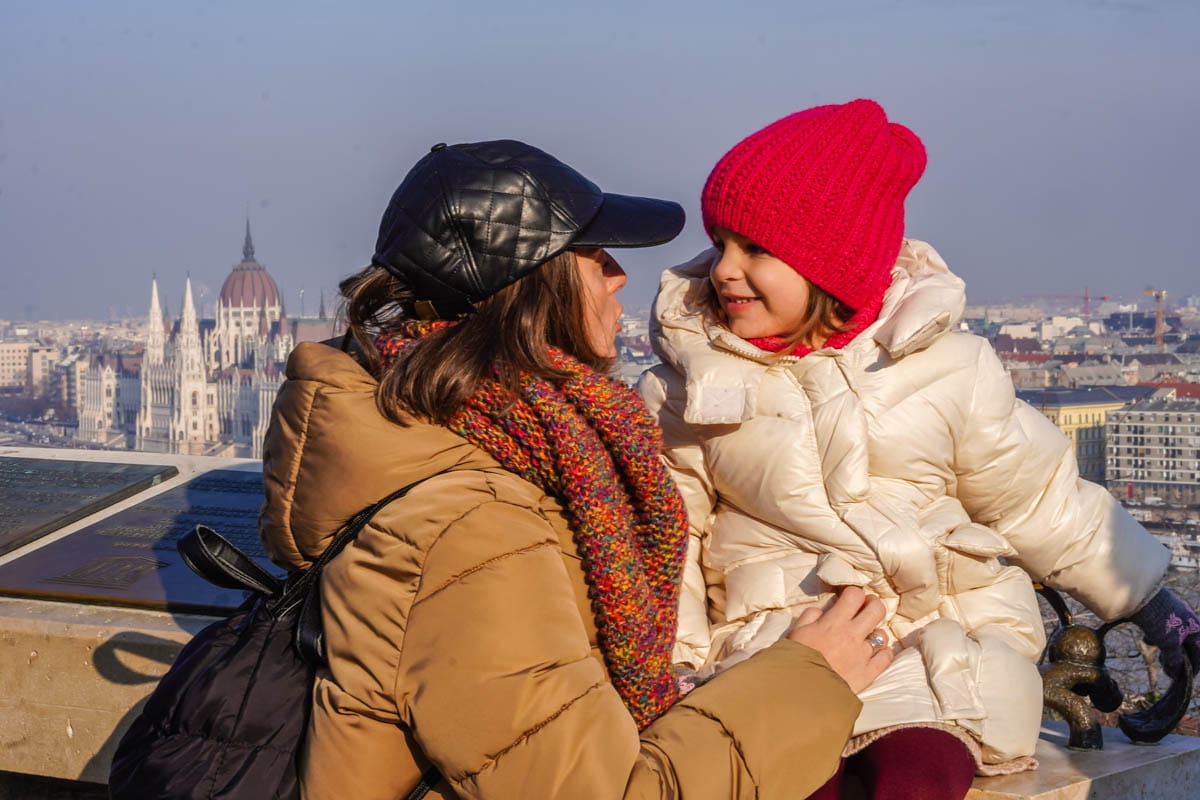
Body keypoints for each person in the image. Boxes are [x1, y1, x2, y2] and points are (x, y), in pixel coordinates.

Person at [257, 139, 893, 799]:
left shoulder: (434, 430)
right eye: (596, 259)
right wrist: (808, 675)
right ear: (536, 290)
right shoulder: (475, 527)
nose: (620, 278)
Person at [639, 100, 1200, 800]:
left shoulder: (950, 367)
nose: (723, 269)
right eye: (721, 241)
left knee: (918, 776)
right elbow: (670, 544)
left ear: (831, 262)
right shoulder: (686, 384)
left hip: (939, 650)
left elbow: (1037, 500)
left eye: (754, 248)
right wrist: (678, 667)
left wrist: (1149, 600)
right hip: (778, 649)